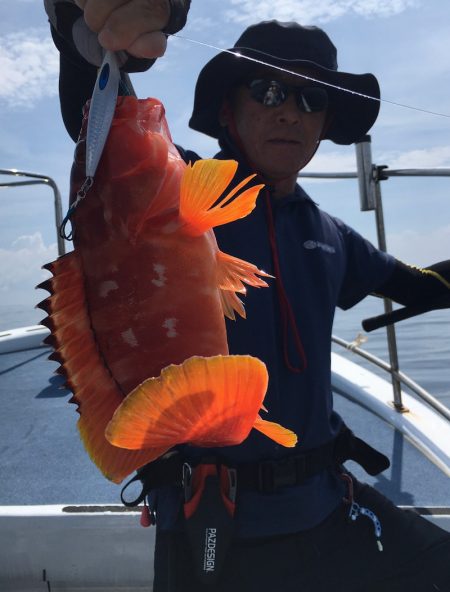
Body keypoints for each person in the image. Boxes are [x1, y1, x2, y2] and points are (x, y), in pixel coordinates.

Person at [44, 2, 450, 591]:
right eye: (268, 91)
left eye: (311, 99)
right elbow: (105, 135)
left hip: (327, 503)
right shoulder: (177, 198)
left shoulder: (330, 234)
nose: (290, 112)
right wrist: (82, 34)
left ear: (327, 121)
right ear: (228, 109)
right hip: (214, 524)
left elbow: (421, 285)